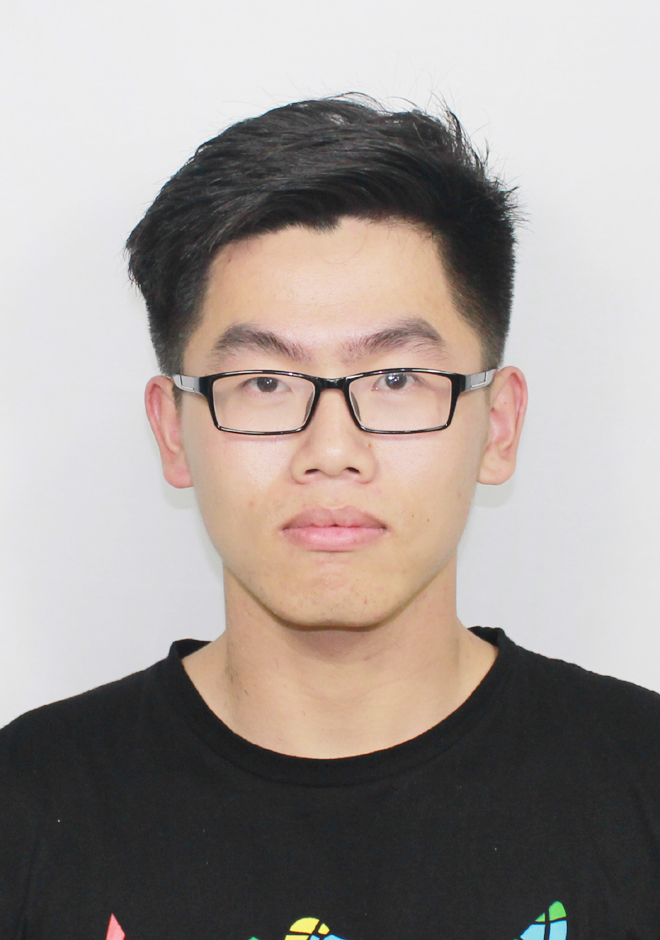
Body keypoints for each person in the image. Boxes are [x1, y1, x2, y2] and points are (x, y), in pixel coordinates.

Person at [1, 96, 659, 940]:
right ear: (173, 431)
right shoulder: (29, 803)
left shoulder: (642, 783)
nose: (332, 449)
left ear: (498, 426)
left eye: (395, 380)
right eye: (265, 383)